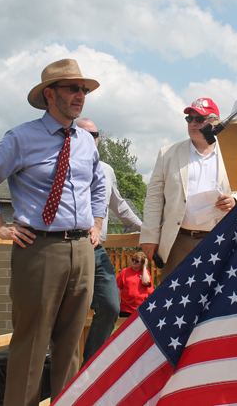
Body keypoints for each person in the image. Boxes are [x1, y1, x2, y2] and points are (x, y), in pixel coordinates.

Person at [0, 59, 107, 406]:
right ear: (50, 94)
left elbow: (99, 184)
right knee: (31, 345)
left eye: (84, 90)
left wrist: (98, 224)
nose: (81, 95)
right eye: (73, 89)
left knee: (71, 345)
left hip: (82, 249)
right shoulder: (21, 137)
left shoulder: (86, 141)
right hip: (40, 249)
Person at [140, 98, 237, 281]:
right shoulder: (168, 153)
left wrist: (235, 199)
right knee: (174, 303)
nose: (194, 123)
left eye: (200, 119)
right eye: (190, 119)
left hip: (220, 240)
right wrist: (149, 236)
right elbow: (154, 198)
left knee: (214, 304)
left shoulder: (233, 151)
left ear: (215, 122)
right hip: (177, 243)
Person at [76, 118, 143, 366]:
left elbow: (119, 206)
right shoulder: (62, 165)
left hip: (96, 250)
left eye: (94, 134)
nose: (90, 139)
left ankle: (89, 366)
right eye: (83, 134)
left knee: (110, 305)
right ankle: (62, 371)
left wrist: (144, 229)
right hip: (70, 246)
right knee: (70, 311)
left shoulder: (106, 170)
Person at [117, 251, 154, 317]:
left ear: (142, 263)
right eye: (133, 260)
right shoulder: (125, 272)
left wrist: (144, 267)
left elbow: (146, 282)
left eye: (137, 261)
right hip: (126, 308)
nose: (134, 262)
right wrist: (116, 303)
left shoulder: (146, 273)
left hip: (141, 308)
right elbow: (118, 288)